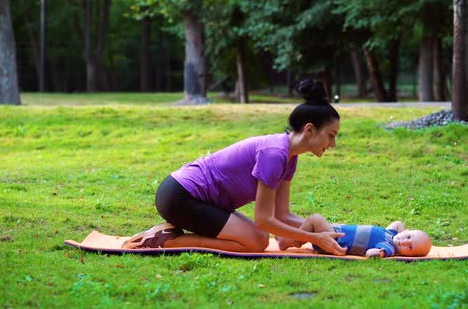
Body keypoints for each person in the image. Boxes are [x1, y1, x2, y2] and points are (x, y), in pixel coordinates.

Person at [122, 79, 347, 255]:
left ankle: (169, 234)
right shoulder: (274, 154)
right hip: (180, 196)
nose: (333, 144)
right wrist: (315, 238)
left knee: (258, 238)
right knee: (254, 243)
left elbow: (282, 214)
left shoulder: (290, 156)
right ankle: (166, 241)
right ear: (309, 130)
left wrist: (327, 231)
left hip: (201, 200)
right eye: (331, 136)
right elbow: (264, 220)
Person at [276, 214, 432, 258]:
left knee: (315, 219)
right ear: (407, 230)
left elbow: (377, 253)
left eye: (410, 247)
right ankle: (291, 236)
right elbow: (397, 223)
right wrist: (401, 233)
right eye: (408, 236)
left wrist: (377, 253)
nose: (405, 242)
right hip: (333, 233)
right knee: (310, 224)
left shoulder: (389, 247)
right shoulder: (391, 234)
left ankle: (288, 241)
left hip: (334, 242)